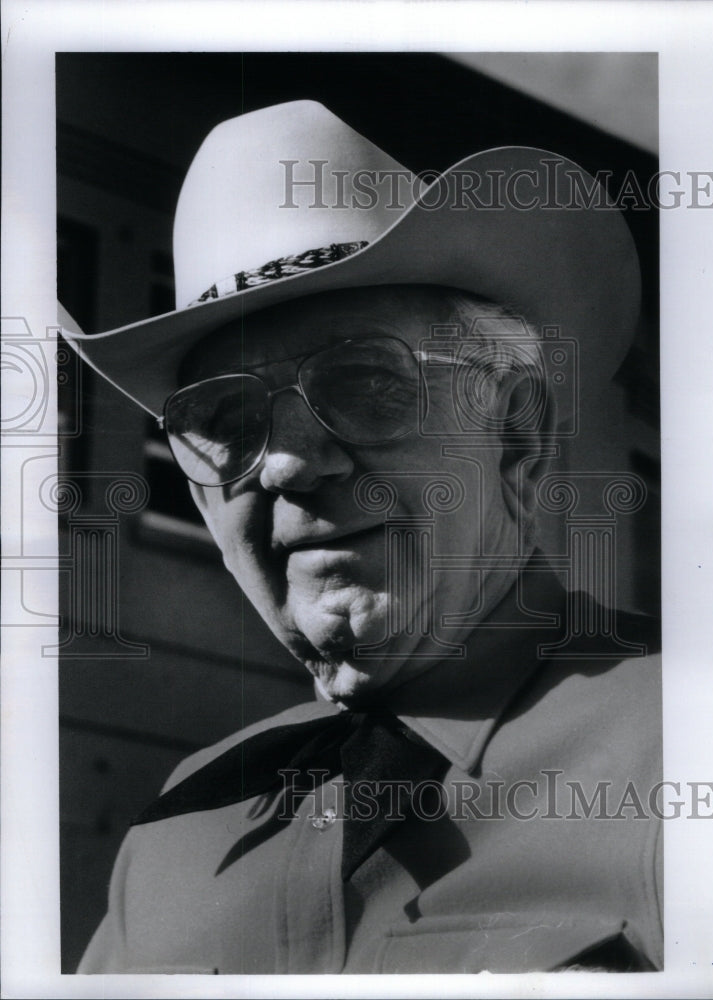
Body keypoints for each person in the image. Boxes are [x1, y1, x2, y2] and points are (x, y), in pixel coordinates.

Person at [64, 100, 662, 974]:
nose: (284, 468)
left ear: (518, 436)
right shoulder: (177, 829)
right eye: (225, 422)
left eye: (366, 383)